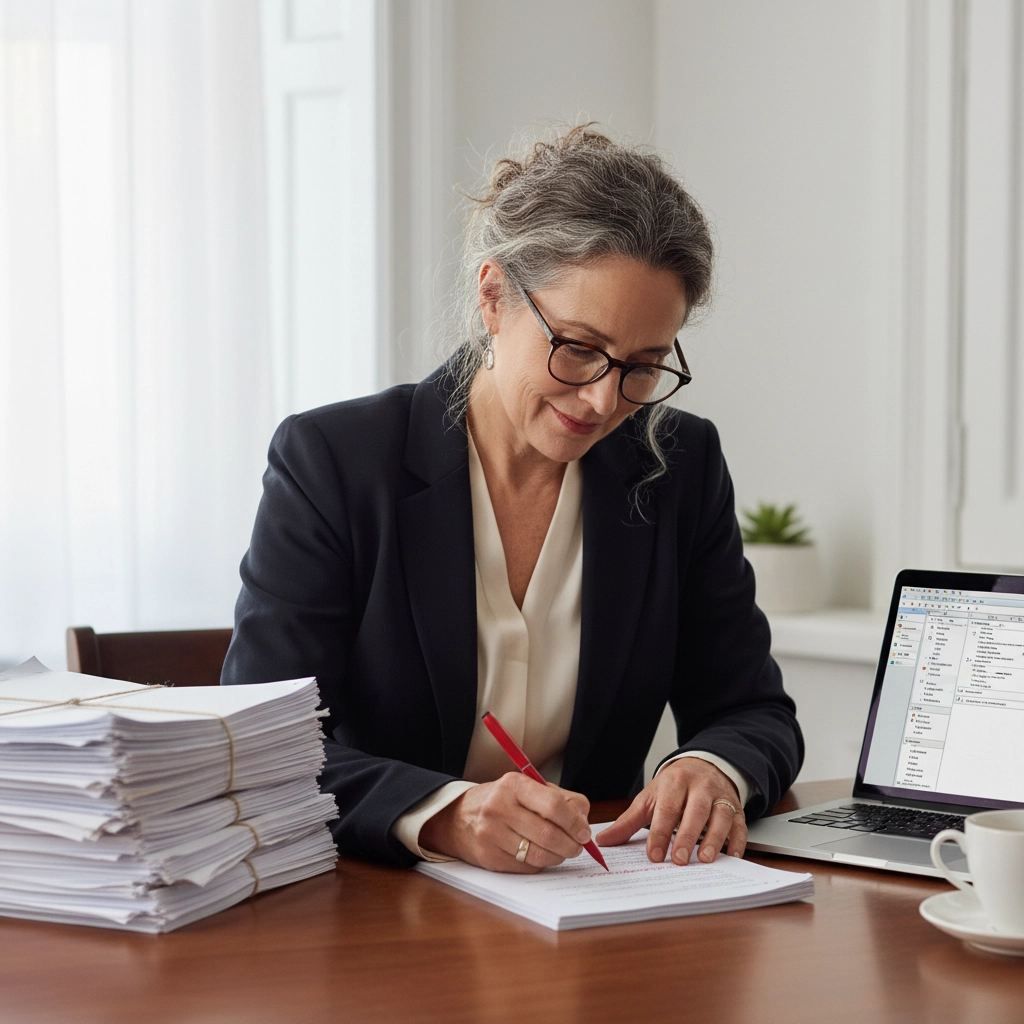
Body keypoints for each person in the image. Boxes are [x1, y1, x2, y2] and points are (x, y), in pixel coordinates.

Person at [221, 125, 803, 873]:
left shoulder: (682, 468)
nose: (602, 399)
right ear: (494, 297)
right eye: (579, 348)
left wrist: (712, 768)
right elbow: (262, 746)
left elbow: (753, 710)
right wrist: (441, 814)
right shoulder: (334, 462)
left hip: (599, 909)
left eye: (644, 366)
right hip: (375, 915)